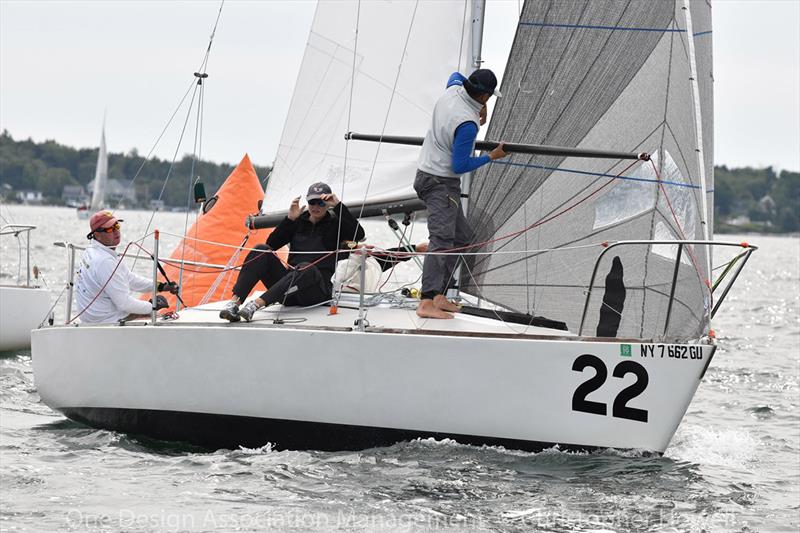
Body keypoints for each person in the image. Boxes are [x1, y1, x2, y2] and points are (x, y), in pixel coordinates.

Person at [414, 69, 508, 319]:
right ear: (485, 95)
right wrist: (491, 156)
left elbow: (454, 74)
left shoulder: (453, 89)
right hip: (440, 183)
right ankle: (426, 302)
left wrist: (481, 108)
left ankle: (439, 295)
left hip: (428, 175)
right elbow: (460, 166)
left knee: (463, 237)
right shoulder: (467, 124)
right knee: (442, 241)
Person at [220, 182, 365, 322]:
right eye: (312, 202)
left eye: (321, 203)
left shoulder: (336, 224)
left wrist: (338, 206)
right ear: (307, 202)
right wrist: (289, 219)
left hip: (316, 291)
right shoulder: (298, 221)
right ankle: (234, 303)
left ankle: (255, 305)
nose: (316, 207)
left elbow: (359, 234)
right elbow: (271, 245)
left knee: (306, 267)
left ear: (328, 204)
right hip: (289, 290)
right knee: (261, 249)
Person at [74, 210, 179, 324]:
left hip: (94, 317)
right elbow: (124, 303)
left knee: (151, 313)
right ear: (97, 234)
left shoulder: (94, 250)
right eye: (110, 229)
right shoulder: (105, 261)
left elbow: (129, 278)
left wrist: (161, 286)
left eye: (117, 226)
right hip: (106, 321)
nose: (116, 231)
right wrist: (152, 306)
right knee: (160, 318)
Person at [333, 242, 429, 294]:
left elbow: (388, 255)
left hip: (361, 301)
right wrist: (357, 256)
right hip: (336, 299)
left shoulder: (370, 263)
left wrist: (415, 249)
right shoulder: (340, 265)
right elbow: (339, 279)